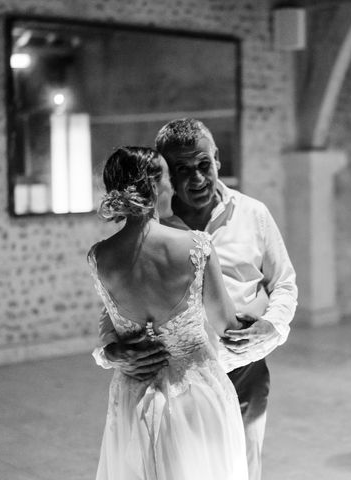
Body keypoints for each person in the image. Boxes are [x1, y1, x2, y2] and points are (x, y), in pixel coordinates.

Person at [93, 118, 298, 480]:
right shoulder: (158, 228)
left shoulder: (254, 214)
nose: (197, 179)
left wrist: (271, 325)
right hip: (170, 385)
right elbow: (115, 307)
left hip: (243, 371)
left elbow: (284, 283)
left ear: (218, 158)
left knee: (242, 469)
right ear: (163, 178)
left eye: (203, 164)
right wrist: (111, 348)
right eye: (181, 170)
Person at [87, 146, 249, 480]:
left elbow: (111, 322)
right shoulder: (196, 246)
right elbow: (226, 325)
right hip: (196, 394)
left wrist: (112, 352)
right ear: (153, 184)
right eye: (167, 175)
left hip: (134, 395)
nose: (175, 184)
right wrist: (261, 308)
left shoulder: (99, 257)